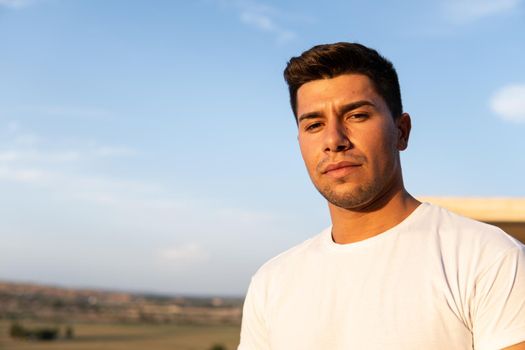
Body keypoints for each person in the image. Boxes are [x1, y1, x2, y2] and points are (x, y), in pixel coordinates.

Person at [237, 42, 525, 350]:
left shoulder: (490, 259)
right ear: (300, 142)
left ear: (401, 131)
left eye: (357, 115)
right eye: (314, 124)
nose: (334, 140)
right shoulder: (271, 283)